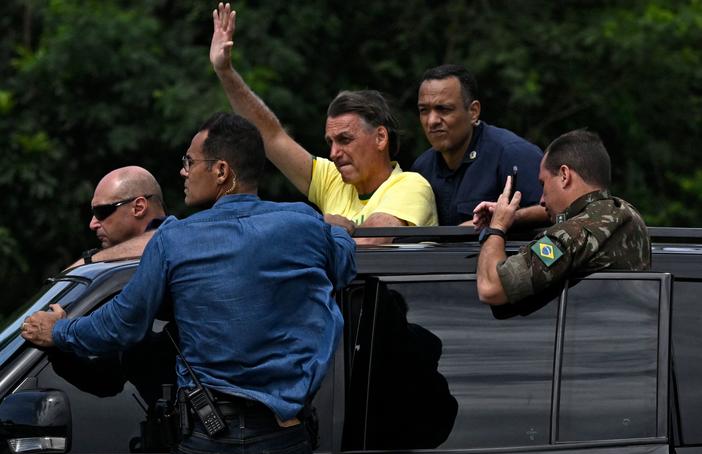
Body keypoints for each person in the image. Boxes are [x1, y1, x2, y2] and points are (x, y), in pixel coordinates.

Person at [22, 112, 357, 454]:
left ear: (221, 171)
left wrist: (58, 330)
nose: (183, 171)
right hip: (285, 440)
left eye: (190, 162)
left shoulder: (175, 238)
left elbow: (121, 325)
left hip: (209, 441)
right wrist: (335, 226)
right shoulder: (304, 224)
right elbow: (344, 265)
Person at [209, 3, 437, 244]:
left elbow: (370, 243)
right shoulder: (332, 180)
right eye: (330, 142)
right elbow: (272, 136)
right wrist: (225, 71)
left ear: (380, 137)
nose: (334, 153)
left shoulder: (411, 185)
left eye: (345, 140)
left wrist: (319, 227)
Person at [476, 129, 650, 305]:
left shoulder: (571, 235)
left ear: (564, 176)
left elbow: (492, 289)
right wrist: (516, 217)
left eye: (543, 184)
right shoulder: (627, 214)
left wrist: (497, 226)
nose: (542, 200)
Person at [412, 64, 548, 227]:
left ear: (473, 111)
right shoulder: (422, 167)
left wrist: (504, 218)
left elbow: (558, 211)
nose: (432, 121)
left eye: (444, 109)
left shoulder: (511, 153)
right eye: (424, 110)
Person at [79, 166, 166, 264]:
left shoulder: (179, 245)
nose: (92, 224)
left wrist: (88, 262)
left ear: (139, 208)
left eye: (101, 211)